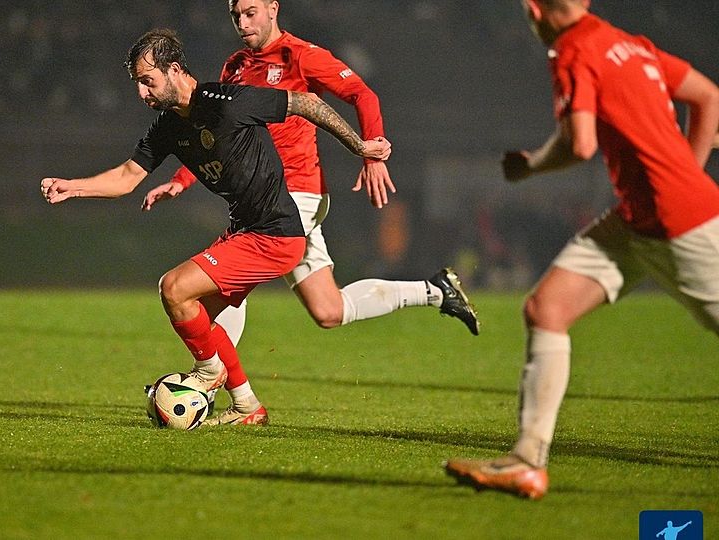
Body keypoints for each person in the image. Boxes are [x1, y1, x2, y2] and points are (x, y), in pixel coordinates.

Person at [41, 29, 391, 425]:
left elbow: (305, 102)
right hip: (247, 231)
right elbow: (126, 177)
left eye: (147, 81)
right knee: (199, 319)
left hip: (275, 233)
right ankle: (246, 406)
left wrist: (360, 147)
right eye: (138, 84)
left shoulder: (227, 102)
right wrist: (74, 187)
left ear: (174, 70)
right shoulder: (169, 126)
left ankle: (210, 373)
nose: (142, 94)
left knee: (173, 287)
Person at [444, 0, 719, 500]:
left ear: (532, 9)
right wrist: (689, 174)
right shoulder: (631, 43)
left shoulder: (572, 52)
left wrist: (528, 166)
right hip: (641, 218)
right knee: (546, 308)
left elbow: (581, 144)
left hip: (683, 224)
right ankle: (527, 462)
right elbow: (707, 97)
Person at [141, 0, 480, 359]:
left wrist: (371, 151)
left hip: (295, 193)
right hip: (264, 197)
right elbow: (214, 133)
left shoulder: (299, 56)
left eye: (250, 12)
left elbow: (361, 94)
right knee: (329, 310)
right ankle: (436, 290)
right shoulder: (235, 66)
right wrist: (181, 179)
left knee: (225, 287)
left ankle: (208, 384)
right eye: (235, 15)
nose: (242, 22)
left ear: (273, 8)